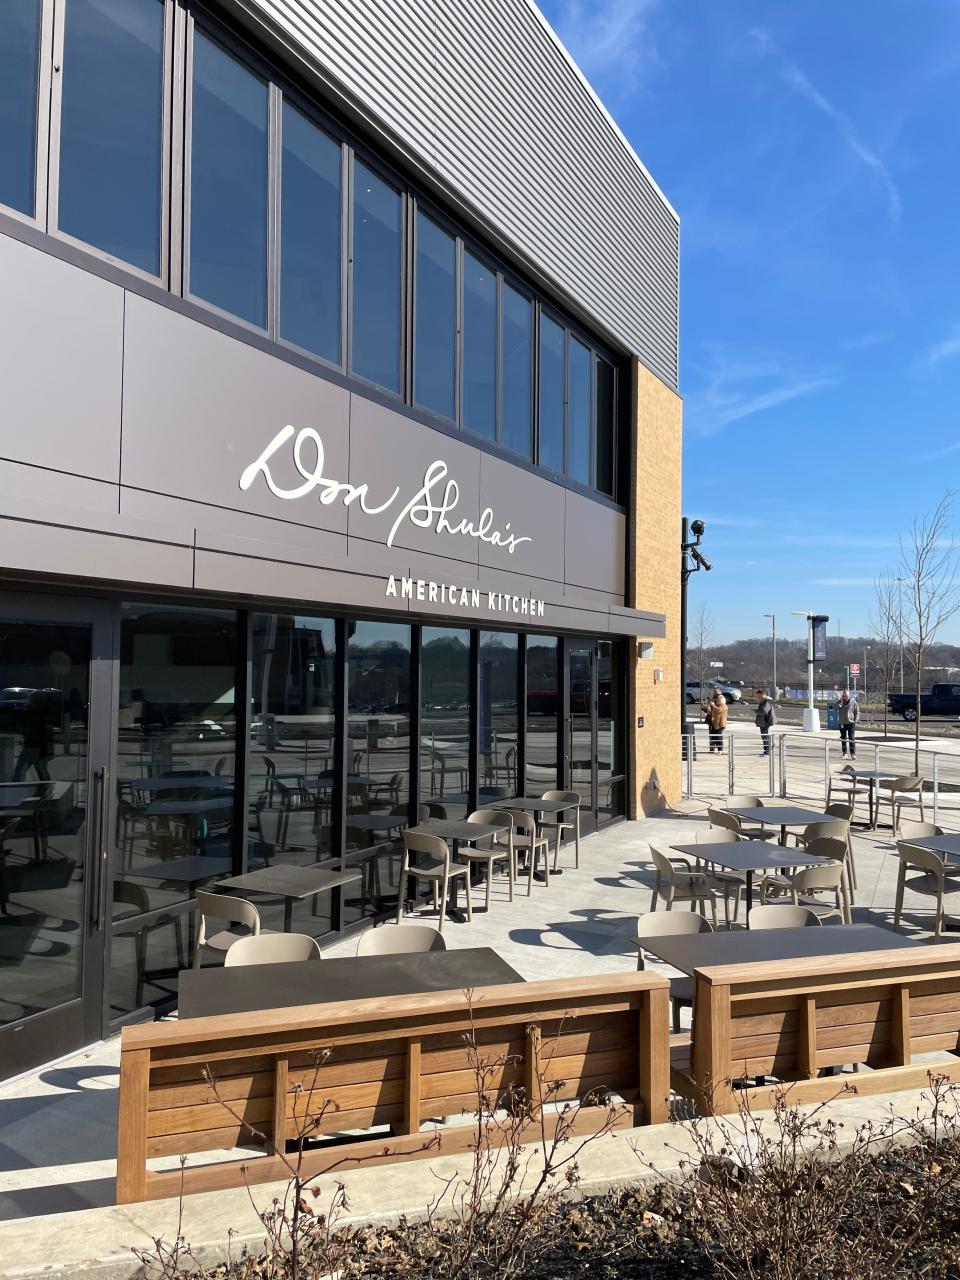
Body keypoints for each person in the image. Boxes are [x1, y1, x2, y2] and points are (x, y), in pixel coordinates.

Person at [703, 689, 728, 753]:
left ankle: (720, 749)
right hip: (714, 723)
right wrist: (707, 709)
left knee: (719, 736)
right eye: (717, 700)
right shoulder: (716, 706)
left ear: (721, 701)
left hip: (720, 724)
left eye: (718, 700)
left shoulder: (724, 706)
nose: (717, 701)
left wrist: (713, 705)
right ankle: (712, 748)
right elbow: (711, 713)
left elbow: (719, 710)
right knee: (713, 736)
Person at [838, 690, 860, 759]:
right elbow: (835, 708)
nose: (845, 697)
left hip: (850, 723)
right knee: (843, 738)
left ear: (849, 696)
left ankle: (853, 753)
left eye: (846, 696)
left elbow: (857, 712)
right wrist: (839, 702)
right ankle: (844, 753)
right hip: (842, 723)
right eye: (843, 696)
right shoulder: (840, 702)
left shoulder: (853, 702)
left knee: (851, 738)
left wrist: (855, 720)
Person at [755, 688, 776, 756]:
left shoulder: (767, 701)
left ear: (762, 694)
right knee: (764, 736)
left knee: (764, 736)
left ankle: (767, 751)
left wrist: (756, 711)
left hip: (765, 721)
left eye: (758, 696)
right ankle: (767, 750)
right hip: (764, 721)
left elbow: (764, 711)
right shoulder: (765, 701)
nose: (757, 697)